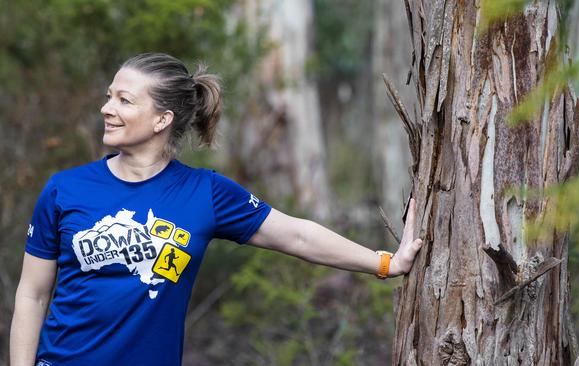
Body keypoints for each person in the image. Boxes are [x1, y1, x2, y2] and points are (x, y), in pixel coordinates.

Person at [9, 53, 423, 366]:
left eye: (124, 100)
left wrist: (385, 262)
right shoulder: (65, 190)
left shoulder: (203, 193)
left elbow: (296, 235)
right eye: (108, 96)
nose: (107, 108)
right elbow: (33, 292)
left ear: (161, 120)